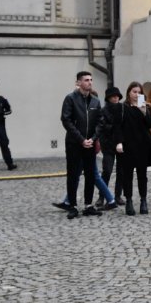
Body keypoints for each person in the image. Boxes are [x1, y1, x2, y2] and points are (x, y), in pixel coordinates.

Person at [107, 82, 151, 215]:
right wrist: (118, 142)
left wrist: (144, 112)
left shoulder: (145, 107)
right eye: (134, 92)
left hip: (142, 145)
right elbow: (117, 126)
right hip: (127, 146)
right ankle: (129, 201)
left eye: (139, 92)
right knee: (127, 175)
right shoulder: (122, 107)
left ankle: (143, 200)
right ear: (129, 93)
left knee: (142, 175)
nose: (137, 95)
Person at [60, 71, 102, 218]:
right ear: (78, 83)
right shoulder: (70, 99)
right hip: (74, 144)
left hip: (90, 144)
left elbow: (99, 122)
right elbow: (66, 121)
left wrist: (93, 138)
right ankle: (72, 206)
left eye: (91, 80)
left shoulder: (96, 101)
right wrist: (80, 139)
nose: (89, 82)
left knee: (90, 175)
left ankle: (88, 205)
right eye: (86, 80)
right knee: (73, 175)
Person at [97, 86, 124, 204]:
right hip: (108, 145)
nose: (116, 98)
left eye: (117, 96)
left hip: (122, 144)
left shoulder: (123, 108)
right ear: (108, 98)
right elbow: (101, 128)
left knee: (121, 171)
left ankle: (118, 196)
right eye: (113, 96)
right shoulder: (103, 111)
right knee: (107, 171)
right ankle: (102, 196)